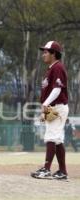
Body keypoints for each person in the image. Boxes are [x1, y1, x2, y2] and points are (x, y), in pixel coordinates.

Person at [31, 41, 69, 180]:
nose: (43, 54)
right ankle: (62, 172)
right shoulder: (51, 68)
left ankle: (46, 169)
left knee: (51, 137)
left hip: (56, 106)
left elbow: (58, 89)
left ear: (54, 54)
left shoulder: (57, 67)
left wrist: (45, 104)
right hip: (53, 107)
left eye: (46, 52)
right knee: (56, 139)